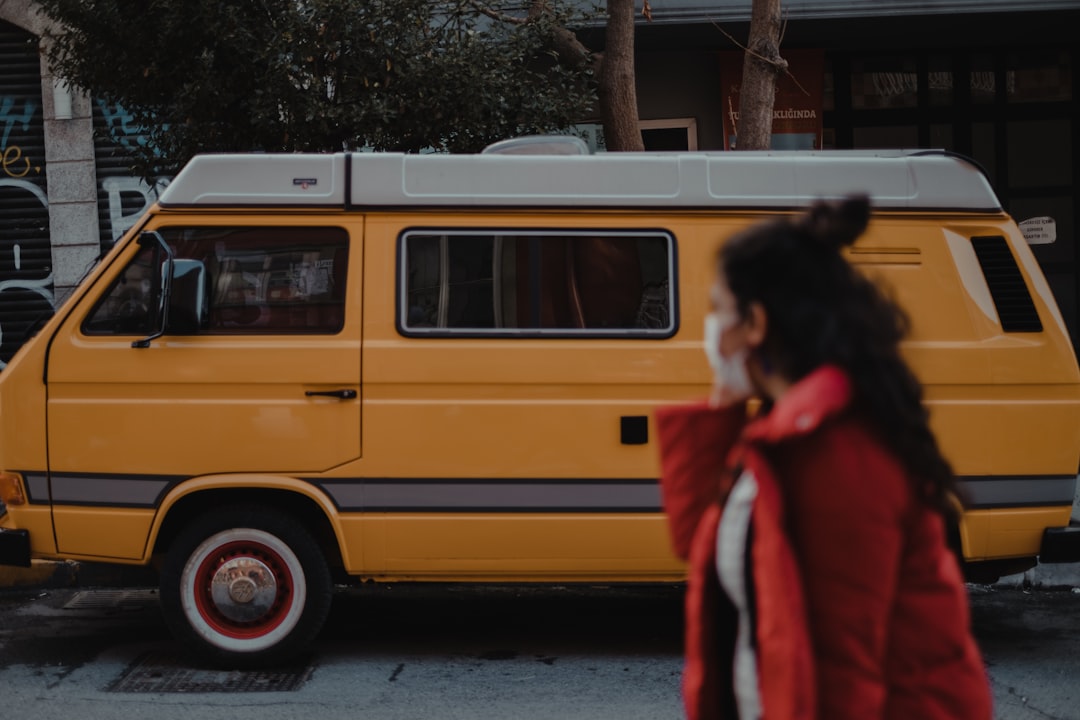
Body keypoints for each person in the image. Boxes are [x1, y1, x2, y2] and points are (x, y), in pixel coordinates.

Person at [655, 195, 993, 720]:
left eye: (717, 310)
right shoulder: (784, 434)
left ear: (757, 322)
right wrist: (720, 409)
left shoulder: (837, 452)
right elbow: (699, 541)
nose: (711, 330)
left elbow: (843, 671)